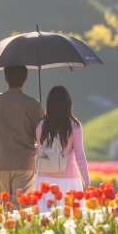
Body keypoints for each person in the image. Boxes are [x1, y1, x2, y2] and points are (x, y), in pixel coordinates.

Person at [0, 65, 46, 200]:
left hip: (1, 162)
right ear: (26, 79)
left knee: (6, 205)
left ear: (6, 79)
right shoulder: (33, 104)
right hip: (24, 162)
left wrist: (1, 139)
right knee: (20, 205)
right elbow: (42, 135)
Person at [33, 85, 90, 213]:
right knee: (70, 219)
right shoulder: (74, 126)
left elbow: (40, 150)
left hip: (45, 179)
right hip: (70, 179)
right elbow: (80, 156)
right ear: (68, 104)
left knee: (45, 220)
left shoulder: (41, 125)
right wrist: (87, 181)